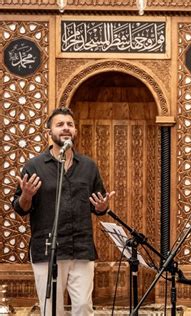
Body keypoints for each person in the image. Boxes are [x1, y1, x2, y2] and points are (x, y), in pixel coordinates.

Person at [12, 107, 115, 316]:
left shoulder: (88, 166)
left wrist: (103, 208)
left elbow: (99, 205)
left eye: (70, 124)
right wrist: (27, 196)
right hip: (47, 249)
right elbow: (20, 208)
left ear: (75, 131)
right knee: (51, 310)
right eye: (60, 124)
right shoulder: (34, 166)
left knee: (83, 308)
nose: (66, 128)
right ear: (48, 132)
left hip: (81, 248)